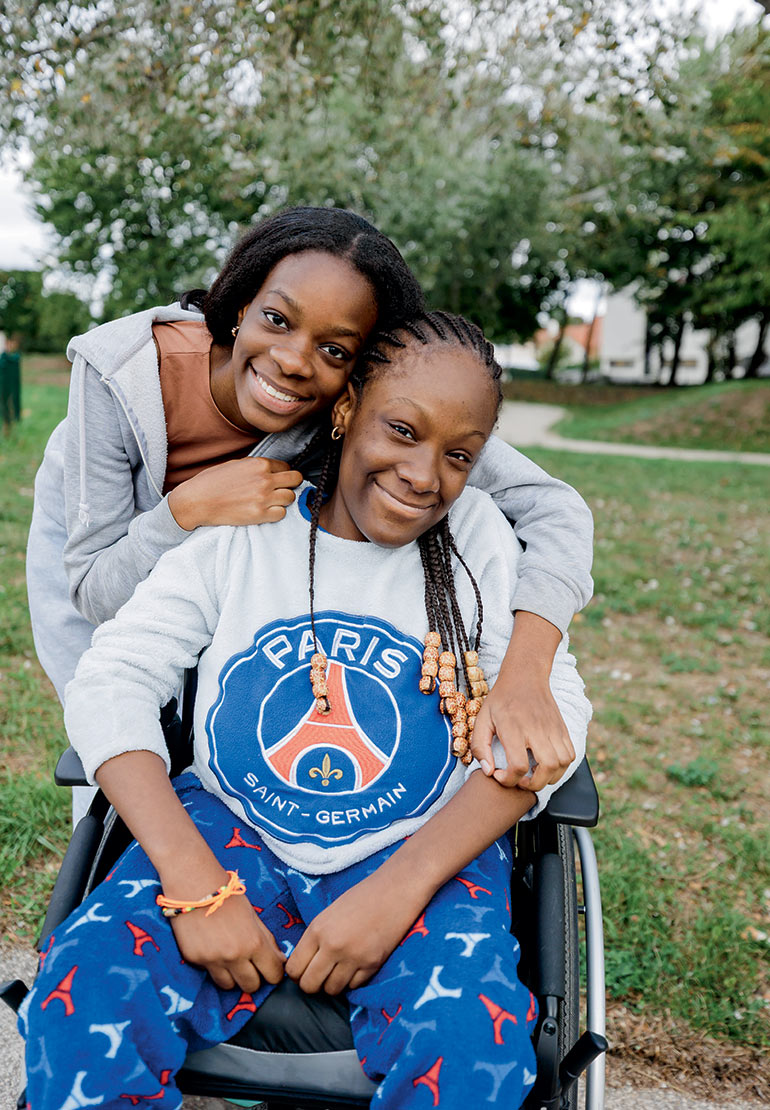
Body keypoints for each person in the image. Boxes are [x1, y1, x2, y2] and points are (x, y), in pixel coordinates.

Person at [20, 312, 591, 1109]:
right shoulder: (246, 532)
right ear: (347, 405)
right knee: (82, 990)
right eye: (402, 429)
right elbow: (111, 676)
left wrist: (400, 887)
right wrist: (197, 884)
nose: (426, 475)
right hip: (233, 825)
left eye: (458, 455)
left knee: (472, 1043)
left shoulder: (478, 540)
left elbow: (552, 722)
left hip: (420, 846)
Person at [26, 206, 593, 824]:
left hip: (237, 596)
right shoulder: (120, 376)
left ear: (362, 375)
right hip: (100, 567)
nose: (295, 361)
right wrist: (187, 509)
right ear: (242, 306)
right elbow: (95, 596)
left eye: (333, 348)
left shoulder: (364, 418)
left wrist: (527, 674)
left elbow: (555, 508)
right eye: (276, 320)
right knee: (116, 773)